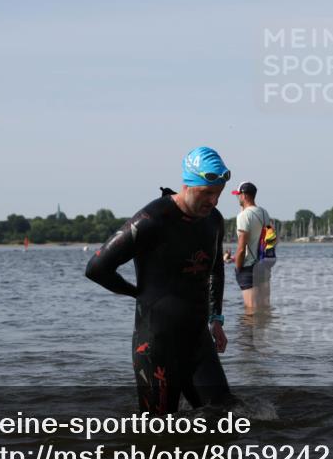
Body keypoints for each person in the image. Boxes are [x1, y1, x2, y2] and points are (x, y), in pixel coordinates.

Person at [85, 147, 232, 414]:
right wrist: (136, 293)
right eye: (207, 193)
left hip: (198, 340)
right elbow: (97, 267)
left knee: (226, 416)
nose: (213, 201)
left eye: (218, 194)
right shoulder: (153, 219)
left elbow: (216, 270)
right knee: (158, 430)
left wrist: (216, 320)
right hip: (156, 343)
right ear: (188, 184)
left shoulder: (214, 221)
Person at [232, 181, 273, 312]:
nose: (238, 198)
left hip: (249, 268)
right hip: (263, 266)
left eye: (238, 195)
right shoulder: (264, 213)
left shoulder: (243, 216)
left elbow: (241, 247)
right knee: (264, 309)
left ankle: (247, 333)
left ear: (244, 196)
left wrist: (238, 268)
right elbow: (270, 238)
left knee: (251, 312)